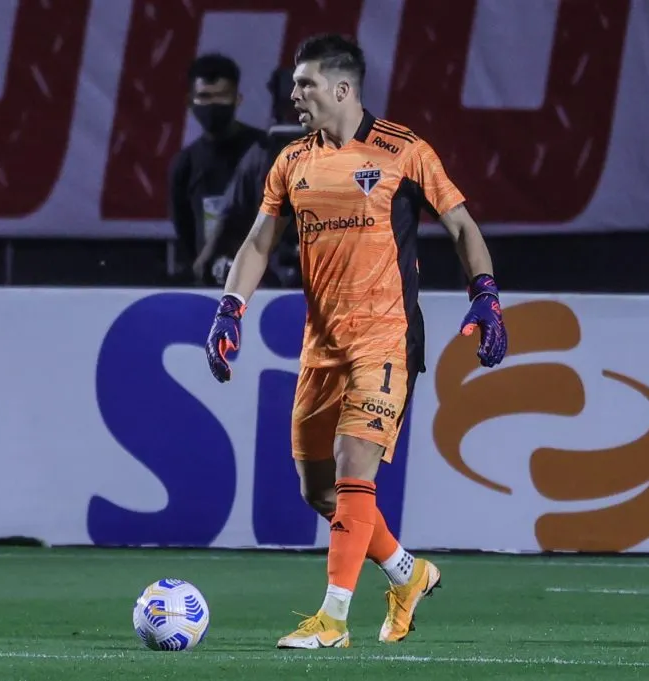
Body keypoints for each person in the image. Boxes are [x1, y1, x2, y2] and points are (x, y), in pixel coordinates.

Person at [203, 34, 508, 649]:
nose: (294, 94)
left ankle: (333, 620)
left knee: (352, 468)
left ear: (342, 89)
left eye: (305, 84)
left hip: (387, 338)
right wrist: (231, 309)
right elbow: (260, 242)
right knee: (318, 489)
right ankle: (408, 572)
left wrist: (486, 293)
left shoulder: (403, 151)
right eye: (294, 84)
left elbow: (460, 224)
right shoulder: (291, 162)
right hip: (322, 345)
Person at [193, 67, 307, 287]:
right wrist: (207, 259)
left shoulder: (347, 153)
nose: (296, 112)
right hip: (272, 277)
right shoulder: (262, 154)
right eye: (289, 104)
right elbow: (230, 214)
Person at [168, 54, 266, 285]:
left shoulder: (263, 149)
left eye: (222, 96)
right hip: (210, 286)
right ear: (189, 101)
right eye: (204, 96)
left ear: (237, 99)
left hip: (263, 283)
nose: (212, 105)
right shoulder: (185, 164)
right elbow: (185, 231)